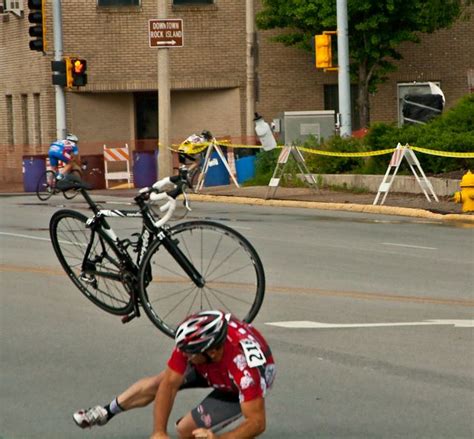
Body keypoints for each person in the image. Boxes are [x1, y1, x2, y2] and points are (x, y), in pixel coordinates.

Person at [73, 310, 276, 438]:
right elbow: (168, 385)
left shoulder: (246, 371)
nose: (184, 356)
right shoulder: (194, 341)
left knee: (185, 430)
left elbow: (257, 423)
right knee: (160, 381)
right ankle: (107, 411)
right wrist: (158, 432)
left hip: (234, 386)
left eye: (190, 355)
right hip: (212, 365)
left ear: (211, 351)